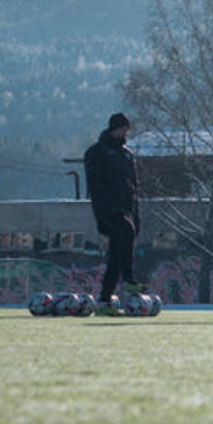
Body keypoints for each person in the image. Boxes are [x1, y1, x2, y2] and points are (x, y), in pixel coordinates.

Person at [84, 112, 144, 316]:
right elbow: (95, 184)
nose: (125, 133)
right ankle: (128, 279)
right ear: (113, 129)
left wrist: (136, 214)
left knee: (117, 254)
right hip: (107, 209)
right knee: (125, 231)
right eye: (122, 129)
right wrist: (106, 208)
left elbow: (134, 188)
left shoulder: (127, 155)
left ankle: (104, 300)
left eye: (127, 130)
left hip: (126, 210)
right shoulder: (96, 152)